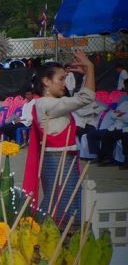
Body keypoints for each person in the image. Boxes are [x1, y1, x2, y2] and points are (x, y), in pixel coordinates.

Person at [24, 51, 96, 226]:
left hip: (62, 159)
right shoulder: (45, 103)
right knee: (61, 203)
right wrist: (90, 69)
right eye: (61, 79)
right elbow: (86, 97)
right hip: (57, 160)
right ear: (46, 81)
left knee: (62, 201)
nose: (65, 83)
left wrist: (86, 75)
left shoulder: (53, 103)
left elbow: (80, 99)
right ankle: (48, 234)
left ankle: (51, 234)